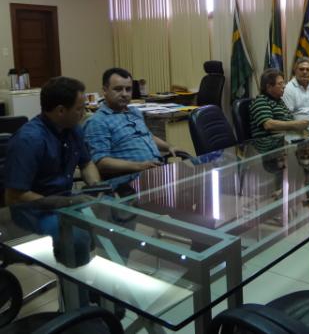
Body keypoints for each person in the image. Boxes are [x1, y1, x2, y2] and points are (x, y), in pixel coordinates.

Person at [4, 76, 101, 267]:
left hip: (65, 202)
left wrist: (97, 187)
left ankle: (93, 282)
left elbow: (87, 164)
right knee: (78, 238)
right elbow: (14, 197)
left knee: (109, 221)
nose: (84, 113)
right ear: (60, 111)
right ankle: (76, 291)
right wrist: (68, 201)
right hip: (31, 210)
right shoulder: (29, 140)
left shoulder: (73, 129)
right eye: (79, 109)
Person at [84, 67, 184, 178]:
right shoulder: (97, 121)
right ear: (104, 90)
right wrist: (139, 166)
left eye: (128, 89)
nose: (124, 94)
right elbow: (101, 162)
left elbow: (149, 136)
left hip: (154, 173)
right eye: (118, 89)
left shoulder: (135, 112)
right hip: (128, 180)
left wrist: (169, 147)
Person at [250, 68, 309, 138]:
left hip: (285, 142)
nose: (284, 86)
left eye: (283, 83)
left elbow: (289, 121)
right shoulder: (261, 100)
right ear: (269, 87)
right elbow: (268, 124)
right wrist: (295, 124)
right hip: (269, 145)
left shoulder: (279, 101)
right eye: (280, 84)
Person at [282, 57, 309, 122]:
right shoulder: (288, 88)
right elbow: (287, 116)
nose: (305, 72)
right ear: (295, 70)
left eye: (308, 70)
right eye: (301, 69)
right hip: (295, 129)